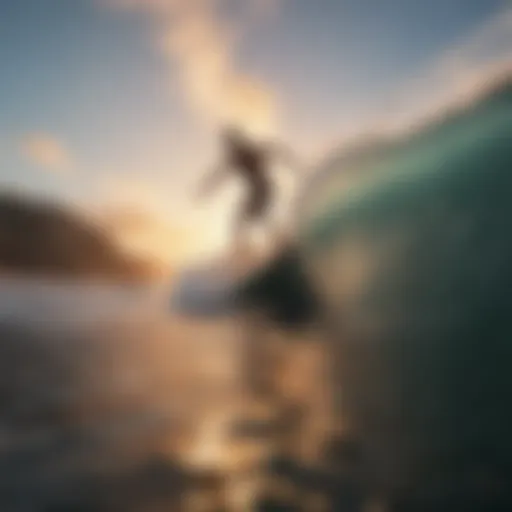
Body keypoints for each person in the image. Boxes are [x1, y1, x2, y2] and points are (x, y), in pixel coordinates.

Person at [197, 126, 300, 253]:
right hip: (257, 191)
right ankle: (248, 248)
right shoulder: (234, 159)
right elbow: (218, 175)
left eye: (231, 144)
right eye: (229, 145)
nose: (230, 149)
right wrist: (205, 189)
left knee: (253, 217)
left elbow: (275, 151)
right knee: (243, 218)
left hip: (264, 188)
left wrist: (294, 165)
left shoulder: (251, 151)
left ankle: (279, 241)